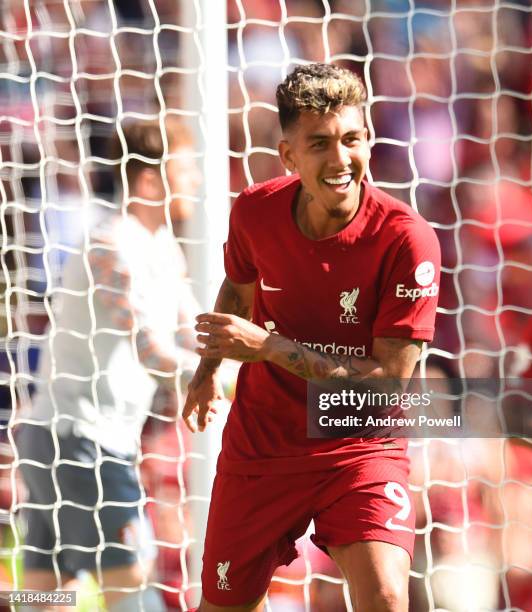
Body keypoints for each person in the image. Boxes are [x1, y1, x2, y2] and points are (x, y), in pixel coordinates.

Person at [183, 63, 441, 612]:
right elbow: (237, 291)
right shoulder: (255, 212)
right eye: (319, 143)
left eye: (352, 139)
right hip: (265, 442)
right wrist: (207, 374)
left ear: (369, 140)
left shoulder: (407, 240)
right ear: (289, 156)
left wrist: (269, 348)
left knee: (388, 596)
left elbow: (392, 385)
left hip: (357, 444)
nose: (340, 159)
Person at [16, 117, 202, 612]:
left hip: (70, 439)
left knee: (44, 595)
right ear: (148, 179)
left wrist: (252, 355)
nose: (196, 182)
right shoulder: (111, 244)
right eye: (185, 170)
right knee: (134, 584)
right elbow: (151, 349)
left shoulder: (164, 249)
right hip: (79, 441)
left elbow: (192, 335)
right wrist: (220, 379)